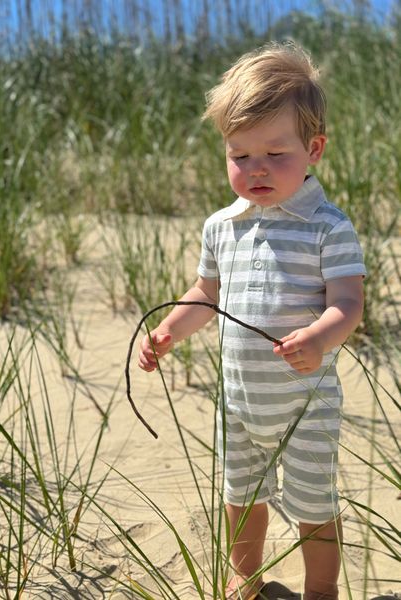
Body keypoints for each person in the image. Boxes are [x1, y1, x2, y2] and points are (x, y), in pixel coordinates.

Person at [138, 42, 366, 600]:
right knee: (241, 498)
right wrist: (171, 330)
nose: (255, 169)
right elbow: (206, 293)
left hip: (305, 403)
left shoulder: (327, 227)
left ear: (313, 149)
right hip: (239, 400)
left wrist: (319, 336)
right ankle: (246, 579)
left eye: (275, 153)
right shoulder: (222, 226)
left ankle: (320, 589)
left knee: (314, 504)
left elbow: (349, 304)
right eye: (240, 156)